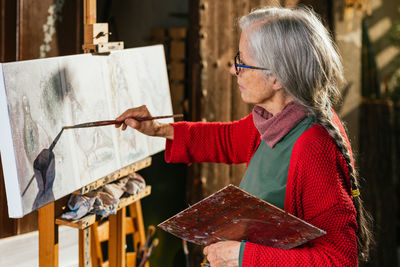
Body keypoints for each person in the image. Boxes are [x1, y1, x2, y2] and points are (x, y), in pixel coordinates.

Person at [116, 6, 373, 267]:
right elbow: (226, 139)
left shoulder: (315, 146)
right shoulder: (275, 118)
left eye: (243, 62)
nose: (233, 70)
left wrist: (243, 257)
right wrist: (159, 130)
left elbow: (340, 260)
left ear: (277, 77)